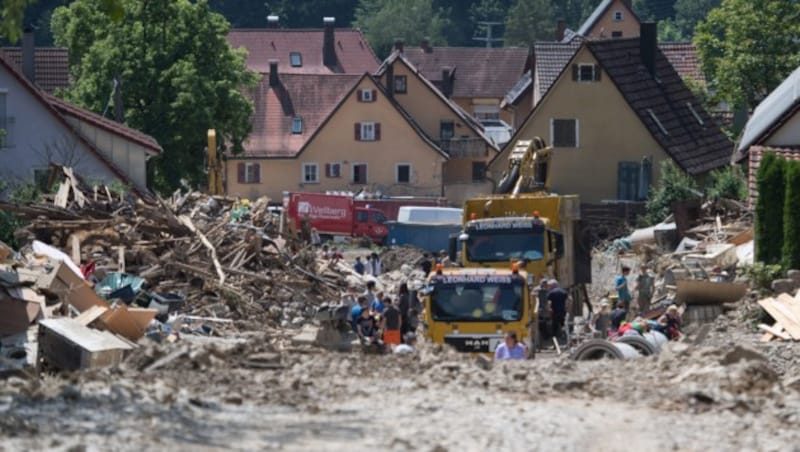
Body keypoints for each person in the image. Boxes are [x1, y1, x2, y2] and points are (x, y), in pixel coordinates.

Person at [546, 279, 569, 344]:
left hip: (555, 313)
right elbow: (570, 300)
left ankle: (554, 343)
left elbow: (549, 303)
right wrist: (568, 309)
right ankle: (566, 339)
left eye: (549, 286)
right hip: (563, 312)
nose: (549, 287)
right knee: (564, 325)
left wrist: (549, 311)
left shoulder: (551, 293)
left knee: (554, 328)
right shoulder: (563, 291)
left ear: (553, 286)